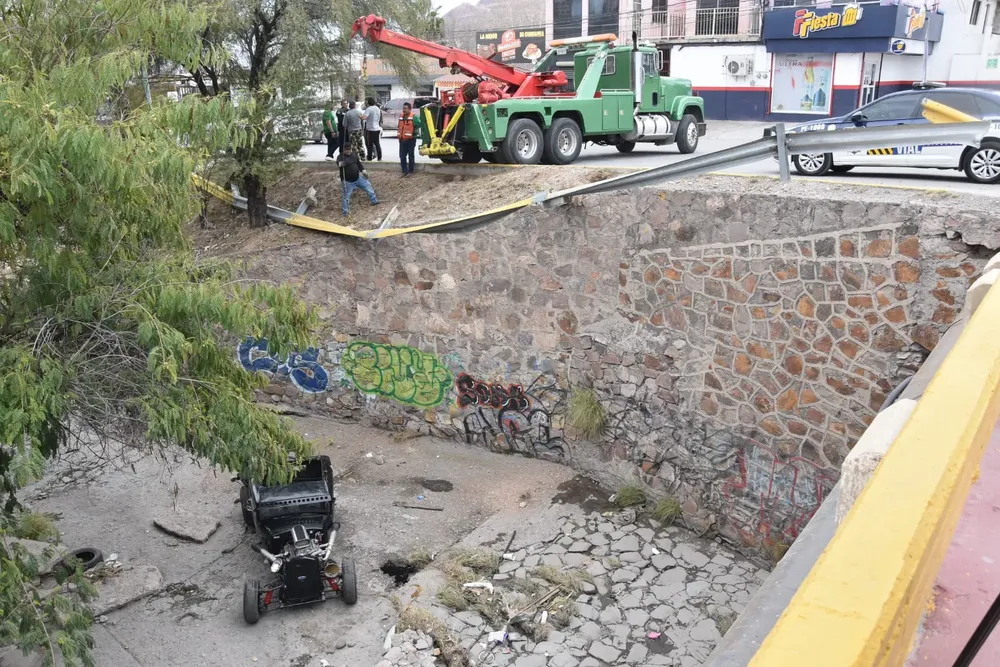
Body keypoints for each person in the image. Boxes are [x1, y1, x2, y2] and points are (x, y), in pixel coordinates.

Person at [337, 143, 379, 216]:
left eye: (349, 149)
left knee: (368, 186)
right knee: (346, 196)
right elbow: (338, 163)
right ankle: (345, 212)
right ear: (344, 150)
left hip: (358, 178)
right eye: (347, 149)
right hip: (348, 181)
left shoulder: (354, 154)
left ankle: (374, 201)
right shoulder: (340, 156)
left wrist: (363, 170)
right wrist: (341, 163)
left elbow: (358, 163)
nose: (348, 151)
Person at [397, 102, 422, 177]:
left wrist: (414, 133)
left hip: (411, 140)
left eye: (405, 108)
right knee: (402, 156)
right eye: (403, 108)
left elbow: (419, 125)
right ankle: (404, 171)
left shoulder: (414, 117)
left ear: (410, 109)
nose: (404, 110)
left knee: (411, 155)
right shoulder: (401, 117)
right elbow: (399, 126)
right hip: (402, 140)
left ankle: (411, 171)